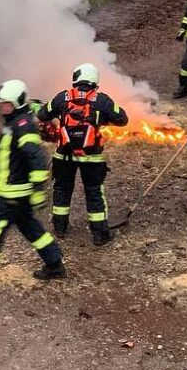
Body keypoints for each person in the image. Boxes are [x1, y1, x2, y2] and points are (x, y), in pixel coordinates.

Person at [0, 79, 65, 293]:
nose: (2, 106)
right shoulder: (14, 121)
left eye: (5, 103)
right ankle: (55, 264)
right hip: (16, 193)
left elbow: (36, 157)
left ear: (17, 102)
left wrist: (37, 191)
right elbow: (7, 143)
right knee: (32, 229)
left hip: (13, 194)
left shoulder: (23, 125)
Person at [37, 63, 128, 246]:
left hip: (64, 155)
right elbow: (122, 119)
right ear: (95, 80)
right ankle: (99, 235)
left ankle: (60, 228)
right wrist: (102, 120)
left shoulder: (62, 97)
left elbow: (42, 114)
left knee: (62, 189)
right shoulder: (101, 100)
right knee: (94, 191)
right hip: (92, 157)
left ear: (76, 78)